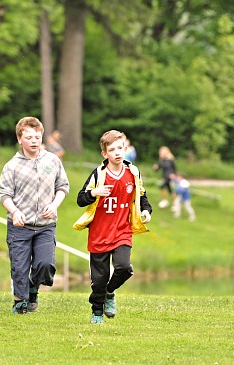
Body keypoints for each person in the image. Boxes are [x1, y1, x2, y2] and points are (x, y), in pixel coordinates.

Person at [74, 130, 152, 324]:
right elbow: (80, 199)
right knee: (99, 279)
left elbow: (141, 195)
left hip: (122, 231)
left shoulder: (133, 172)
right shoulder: (98, 174)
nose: (117, 152)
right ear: (104, 154)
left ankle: (110, 292)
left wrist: (146, 211)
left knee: (124, 268)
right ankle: (97, 312)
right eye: (112, 149)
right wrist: (94, 193)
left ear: (125, 149)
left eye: (120, 148)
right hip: (99, 233)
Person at [0, 117, 70, 314]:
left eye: (37, 136)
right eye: (29, 137)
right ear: (19, 139)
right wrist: (14, 212)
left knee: (45, 264)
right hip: (19, 226)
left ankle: (33, 288)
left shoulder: (52, 160)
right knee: (19, 268)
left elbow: (63, 187)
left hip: (45, 226)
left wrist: (55, 205)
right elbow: (4, 195)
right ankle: (20, 302)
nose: (34, 140)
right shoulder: (11, 166)